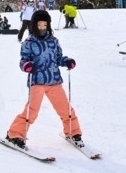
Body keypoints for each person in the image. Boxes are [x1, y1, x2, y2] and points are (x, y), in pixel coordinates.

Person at [5, 10, 82, 149]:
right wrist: (27, 65)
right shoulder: (29, 42)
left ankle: (73, 132)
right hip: (37, 81)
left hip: (54, 80)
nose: (42, 27)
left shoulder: (54, 41)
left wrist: (66, 61)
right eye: (39, 25)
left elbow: (58, 57)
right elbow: (23, 60)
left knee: (65, 108)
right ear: (34, 25)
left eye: (44, 25)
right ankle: (15, 134)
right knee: (32, 111)